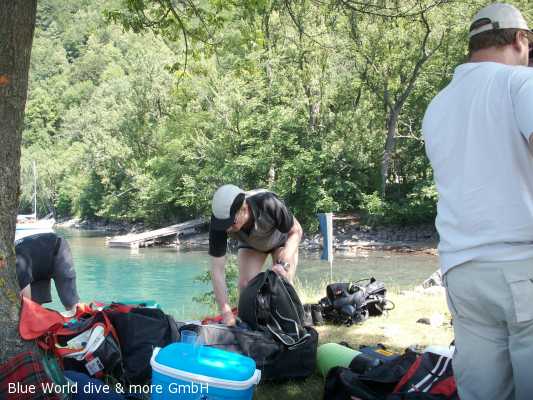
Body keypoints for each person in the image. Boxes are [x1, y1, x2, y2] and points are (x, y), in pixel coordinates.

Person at [422, 3, 533, 399]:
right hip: (521, 264)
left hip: (461, 269)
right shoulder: (521, 84)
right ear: (520, 39)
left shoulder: (438, 105)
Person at [208, 184, 303, 326]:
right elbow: (217, 269)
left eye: (232, 223)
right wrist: (226, 312)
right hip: (252, 244)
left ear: (244, 209)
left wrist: (283, 264)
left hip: (281, 239)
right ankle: (253, 327)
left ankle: (290, 326)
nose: (227, 228)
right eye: (224, 224)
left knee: (281, 282)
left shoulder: (268, 203)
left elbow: (296, 231)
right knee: (246, 286)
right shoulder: (219, 221)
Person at [15, 231, 80, 314]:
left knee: (69, 301)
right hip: (37, 262)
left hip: (57, 247)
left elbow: (26, 301)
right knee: (35, 304)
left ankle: (79, 316)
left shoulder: (17, 262)